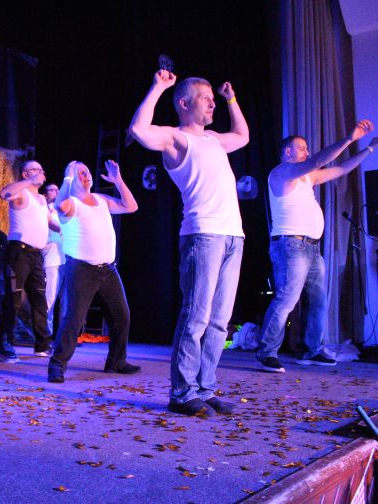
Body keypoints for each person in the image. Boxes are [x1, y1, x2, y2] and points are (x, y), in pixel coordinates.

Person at [129, 70, 248, 416]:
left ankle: (205, 389)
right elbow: (139, 130)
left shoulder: (213, 139)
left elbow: (242, 136)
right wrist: (158, 87)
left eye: (213, 98)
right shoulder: (177, 138)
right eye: (205, 98)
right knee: (196, 316)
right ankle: (182, 393)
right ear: (184, 103)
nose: (212, 103)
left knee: (219, 321)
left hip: (233, 235)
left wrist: (231, 99)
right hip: (202, 234)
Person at [257, 124, 376, 373]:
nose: (307, 152)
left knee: (318, 301)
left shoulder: (307, 178)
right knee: (286, 299)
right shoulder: (281, 173)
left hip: (311, 247)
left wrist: (369, 149)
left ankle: (310, 350)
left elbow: (341, 169)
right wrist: (348, 138)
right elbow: (318, 161)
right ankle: (267, 351)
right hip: (290, 245)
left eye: (307, 149)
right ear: (287, 152)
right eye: (302, 148)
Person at [47, 160, 139, 383]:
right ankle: (57, 365)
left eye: (86, 172)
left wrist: (118, 180)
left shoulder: (101, 199)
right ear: (71, 178)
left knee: (121, 316)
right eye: (79, 173)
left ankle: (116, 361)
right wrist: (68, 177)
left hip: (108, 269)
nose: (85, 175)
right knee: (73, 319)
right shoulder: (70, 203)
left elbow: (131, 206)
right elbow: (59, 206)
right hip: (81, 269)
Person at [0, 160, 55, 362]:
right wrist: (29, 181)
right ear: (24, 174)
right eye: (34, 169)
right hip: (18, 253)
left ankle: (42, 346)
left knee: (39, 300)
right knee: (13, 299)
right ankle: (6, 346)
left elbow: (51, 223)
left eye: (41, 169)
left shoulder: (42, 200)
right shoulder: (21, 193)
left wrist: (69, 228)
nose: (40, 172)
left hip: (37, 256)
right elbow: (3, 193)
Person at [41, 182, 64, 335]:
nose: (56, 192)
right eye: (52, 190)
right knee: (50, 299)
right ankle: (45, 335)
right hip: (52, 259)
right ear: (45, 194)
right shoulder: (43, 210)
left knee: (65, 300)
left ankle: (63, 336)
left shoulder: (63, 210)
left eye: (57, 189)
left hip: (66, 259)